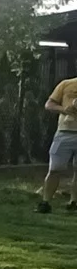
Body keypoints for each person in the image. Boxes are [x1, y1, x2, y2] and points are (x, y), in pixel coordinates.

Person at [38, 74, 77, 212]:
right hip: (65, 133)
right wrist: (64, 109)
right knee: (55, 169)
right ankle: (45, 203)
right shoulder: (66, 84)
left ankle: (74, 202)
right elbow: (49, 105)